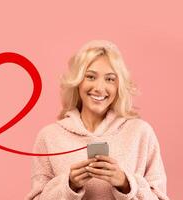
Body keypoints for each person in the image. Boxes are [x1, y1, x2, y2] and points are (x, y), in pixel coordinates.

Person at [26, 40, 169, 199]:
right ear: (78, 81)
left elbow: (160, 196)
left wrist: (126, 183)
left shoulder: (141, 133)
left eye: (110, 79)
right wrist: (69, 186)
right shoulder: (49, 136)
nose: (99, 88)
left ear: (118, 85)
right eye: (91, 77)